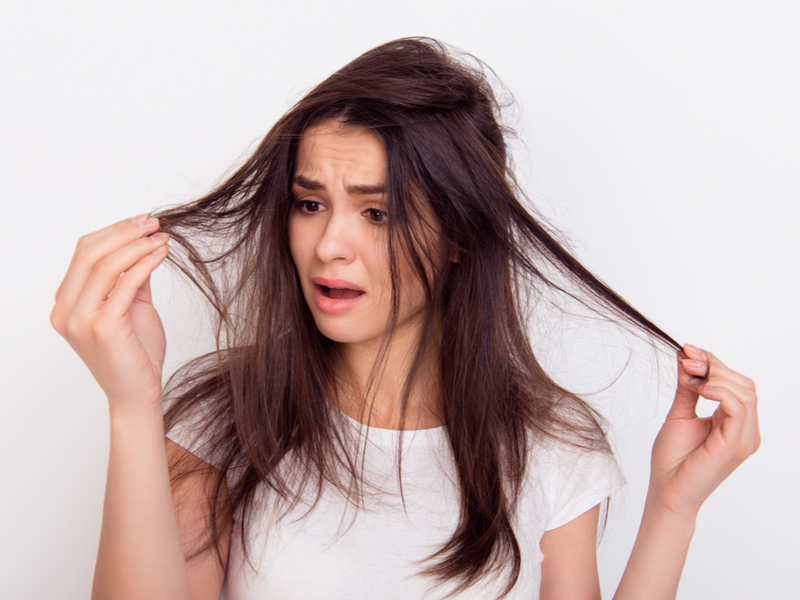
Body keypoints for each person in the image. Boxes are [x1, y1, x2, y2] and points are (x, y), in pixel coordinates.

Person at [50, 38, 759, 600]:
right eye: (309, 202)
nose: (329, 245)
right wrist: (131, 409)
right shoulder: (228, 417)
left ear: (457, 235)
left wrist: (674, 508)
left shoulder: (552, 448)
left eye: (377, 212)